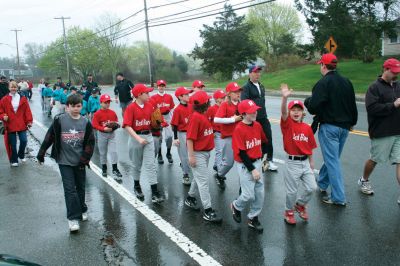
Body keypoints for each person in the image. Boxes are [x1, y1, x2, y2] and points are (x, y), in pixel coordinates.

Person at [37, 94, 95, 232]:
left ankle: (82, 208)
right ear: (67, 107)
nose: (76, 109)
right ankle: (73, 219)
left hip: (79, 161)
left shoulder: (86, 122)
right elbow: (49, 137)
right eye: (73, 106)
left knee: (80, 188)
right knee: (70, 190)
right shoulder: (59, 120)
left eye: (78, 106)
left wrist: (84, 159)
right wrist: (41, 154)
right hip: (64, 161)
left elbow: (90, 143)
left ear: (82, 106)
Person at [304, 54, 358, 206]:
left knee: (332, 161)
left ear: (323, 66)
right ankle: (322, 183)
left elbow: (313, 107)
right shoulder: (347, 82)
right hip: (345, 128)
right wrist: (352, 122)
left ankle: (338, 197)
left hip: (330, 128)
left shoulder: (323, 83)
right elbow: (352, 105)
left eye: (320, 64)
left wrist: (307, 101)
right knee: (332, 159)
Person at [358, 58, 400, 202]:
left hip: (398, 131)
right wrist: (393, 105)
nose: (396, 75)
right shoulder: (374, 88)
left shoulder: (398, 85)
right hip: (382, 131)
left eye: (397, 72)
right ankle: (364, 180)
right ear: (385, 69)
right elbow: (372, 109)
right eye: (393, 72)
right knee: (375, 159)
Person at [280, 84, 317, 225]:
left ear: (303, 113)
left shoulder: (307, 128)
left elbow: (310, 146)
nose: (296, 112)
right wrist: (284, 98)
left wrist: (311, 161)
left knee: (312, 187)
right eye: (293, 110)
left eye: (299, 110)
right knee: (291, 192)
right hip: (292, 163)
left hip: (305, 162)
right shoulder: (287, 124)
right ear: (289, 113)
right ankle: (288, 212)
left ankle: (300, 205)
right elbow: (283, 112)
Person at [184, 90, 222, 223]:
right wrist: (191, 156)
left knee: (198, 178)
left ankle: (190, 198)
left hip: (205, 152)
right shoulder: (195, 117)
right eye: (208, 100)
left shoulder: (203, 114)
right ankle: (208, 210)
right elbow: (189, 139)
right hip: (198, 153)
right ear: (203, 103)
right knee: (203, 182)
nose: (210, 101)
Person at [230, 99, 268, 232]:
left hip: (257, 161)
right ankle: (236, 206)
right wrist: (252, 170)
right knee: (248, 195)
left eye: (255, 110)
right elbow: (241, 153)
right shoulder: (239, 129)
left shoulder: (257, 125)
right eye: (251, 112)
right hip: (245, 164)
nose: (255, 113)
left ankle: (253, 217)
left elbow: (263, 141)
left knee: (259, 192)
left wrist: (264, 159)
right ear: (244, 114)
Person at [123, 84, 164, 203]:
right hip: (136, 137)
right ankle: (136, 186)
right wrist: (138, 139)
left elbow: (154, 122)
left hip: (149, 137)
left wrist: (159, 124)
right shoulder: (131, 108)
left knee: (151, 164)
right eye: (147, 93)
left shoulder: (150, 105)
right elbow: (127, 126)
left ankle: (155, 192)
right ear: (139, 95)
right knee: (136, 165)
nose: (149, 95)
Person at [241, 65, 278, 171]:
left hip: (263, 117)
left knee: (268, 138)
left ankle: (269, 161)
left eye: (259, 72)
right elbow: (244, 104)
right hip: (253, 118)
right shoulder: (246, 87)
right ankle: (254, 162)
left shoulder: (261, 86)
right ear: (250, 74)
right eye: (255, 72)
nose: (257, 74)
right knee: (255, 141)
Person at [213, 82, 243, 189]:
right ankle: (219, 175)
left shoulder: (242, 104)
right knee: (229, 163)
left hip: (241, 138)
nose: (238, 93)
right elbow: (216, 119)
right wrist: (232, 119)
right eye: (235, 92)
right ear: (229, 94)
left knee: (243, 163)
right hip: (229, 137)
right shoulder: (225, 105)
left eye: (239, 91)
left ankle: (243, 187)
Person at [0, 81, 33, 166]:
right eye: (12, 87)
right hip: (10, 124)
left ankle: (21, 154)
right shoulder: (4, 99)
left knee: (24, 140)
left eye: (15, 87)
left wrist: (29, 121)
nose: (13, 88)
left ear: (17, 88)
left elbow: (27, 111)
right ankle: (14, 160)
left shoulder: (23, 98)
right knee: (13, 144)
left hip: (21, 123)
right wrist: (3, 116)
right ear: (9, 88)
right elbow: (1, 111)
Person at [92, 94, 123, 181]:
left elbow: (117, 122)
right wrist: (103, 128)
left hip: (111, 135)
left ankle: (115, 168)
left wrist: (116, 125)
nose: (107, 104)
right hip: (102, 135)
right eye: (105, 102)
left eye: (109, 102)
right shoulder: (97, 114)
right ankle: (104, 167)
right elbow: (94, 125)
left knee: (113, 152)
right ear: (101, 103)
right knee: (103, 153)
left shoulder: (112, 112)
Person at [171, 87, 193, 185]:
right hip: (182, 133)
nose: (189, 96)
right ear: (180, 97)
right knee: (184, 155)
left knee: (193, 153)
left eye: (188, 94)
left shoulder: (191, 106)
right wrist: (175, 138)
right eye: (186, 94)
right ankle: (185, 174)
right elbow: (175, 124)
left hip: (191, 133)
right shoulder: (177, 109)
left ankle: (187, 167)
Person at [150, 79, 174, 164]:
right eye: (160, 85)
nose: (161, 87)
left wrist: (172, 120)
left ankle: (168, 152)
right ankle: (159, 154)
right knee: (159, 138)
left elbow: (171, 109)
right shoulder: (153, 97)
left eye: (162, 85)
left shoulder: (169, 97)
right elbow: (153, 110)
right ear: (157, 86)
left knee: (170, 137)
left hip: (167, 118)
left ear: (165, 86)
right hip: (158, 119)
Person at [207, 89, 226, 173]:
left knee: (223, 150)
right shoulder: (211, 109)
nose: (223, 99)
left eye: (224, 97)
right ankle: (219, 169)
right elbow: (207, 121)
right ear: (217, 99)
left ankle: (215, 165)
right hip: (216, 132)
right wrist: (212, 131)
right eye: (222, 97)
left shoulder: (225, 107)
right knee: (220, 151)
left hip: (224, 133)